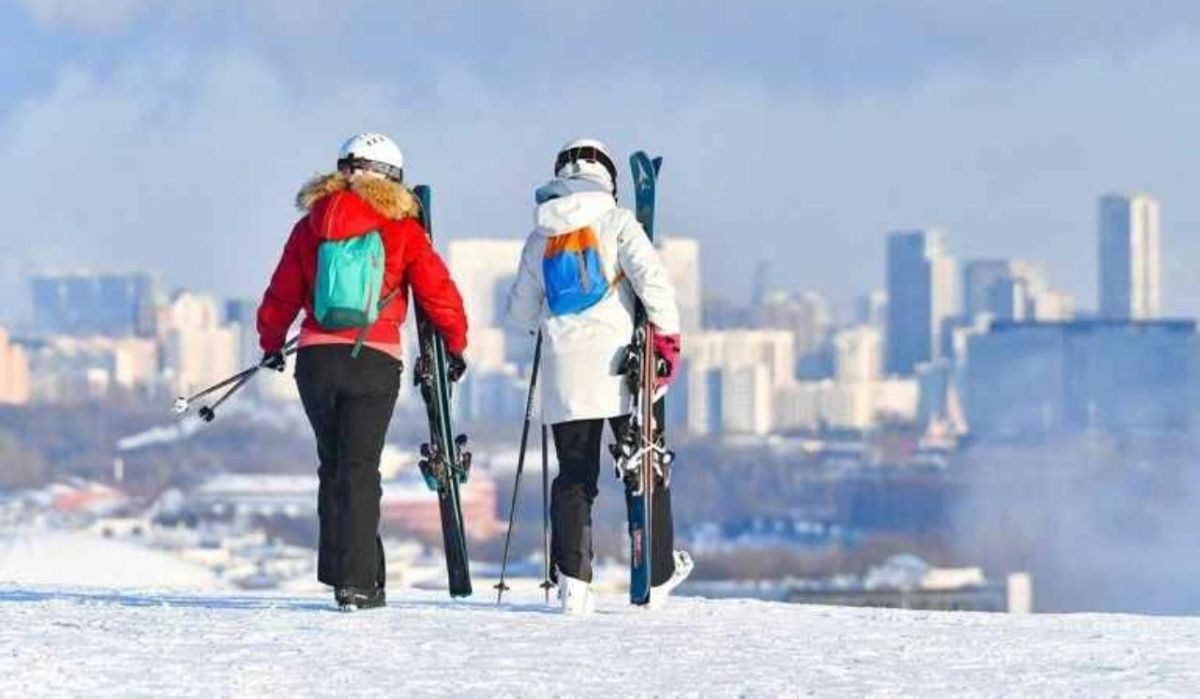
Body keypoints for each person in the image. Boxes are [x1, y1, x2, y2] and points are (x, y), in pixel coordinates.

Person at [257, 132, 469, 610]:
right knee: (360, 468)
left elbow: (281, 293)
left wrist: (271, 343)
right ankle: (357, 582)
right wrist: (455, 345)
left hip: (315, 359)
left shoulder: (311, 225)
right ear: (394, 177)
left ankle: (342, 571)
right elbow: (439, 295)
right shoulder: (403, 229)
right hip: (373, 360)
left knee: (332, 464)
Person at [506, 137, 693, 614]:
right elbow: (654, 283)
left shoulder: (540, 235)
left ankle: (573, 583)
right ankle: (654, 569)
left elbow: (521, 313)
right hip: (621, 367)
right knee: (643, 462)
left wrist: (555, 326)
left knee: (574, 476)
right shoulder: (618, 222)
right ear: (609, 177)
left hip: (563, 371)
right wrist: (667, 339)